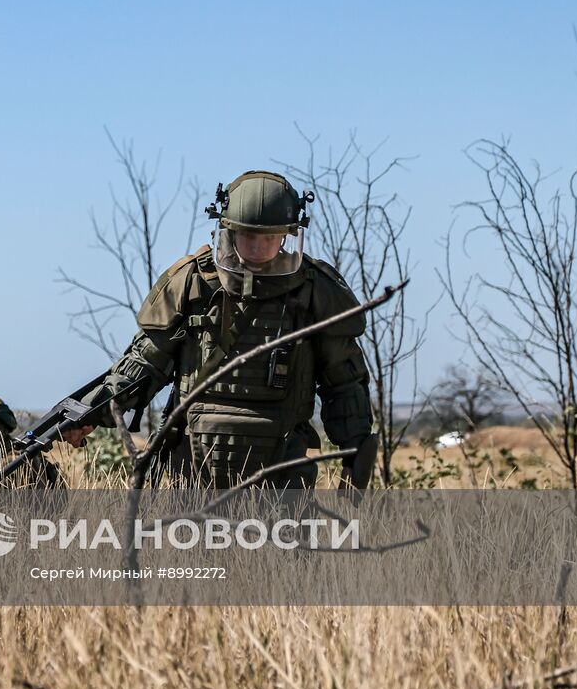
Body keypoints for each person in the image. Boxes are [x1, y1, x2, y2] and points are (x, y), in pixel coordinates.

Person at [69, 170, 374, 488]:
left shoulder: (315, 292)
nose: (258, 248)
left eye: (269, 237)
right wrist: (93, 413)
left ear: (287, 235)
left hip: (282, 470)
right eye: (248, 236)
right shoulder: (194, 283)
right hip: (191, 467)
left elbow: (345, 383)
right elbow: (145, 362)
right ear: (228, 230)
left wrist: (354, 456)